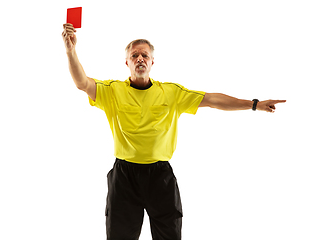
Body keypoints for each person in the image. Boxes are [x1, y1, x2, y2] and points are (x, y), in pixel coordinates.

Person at [62, 23, 286, 240]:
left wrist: (254, 104)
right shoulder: (112, 91)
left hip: (160, 177)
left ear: (152, 62)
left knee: (169, 234)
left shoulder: (170, 92)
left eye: (145, 55)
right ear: (127, 63)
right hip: (124, 176)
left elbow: (212, 100)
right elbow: (82, 83)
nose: (140, 59)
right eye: (134, 55)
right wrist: (71, 50)